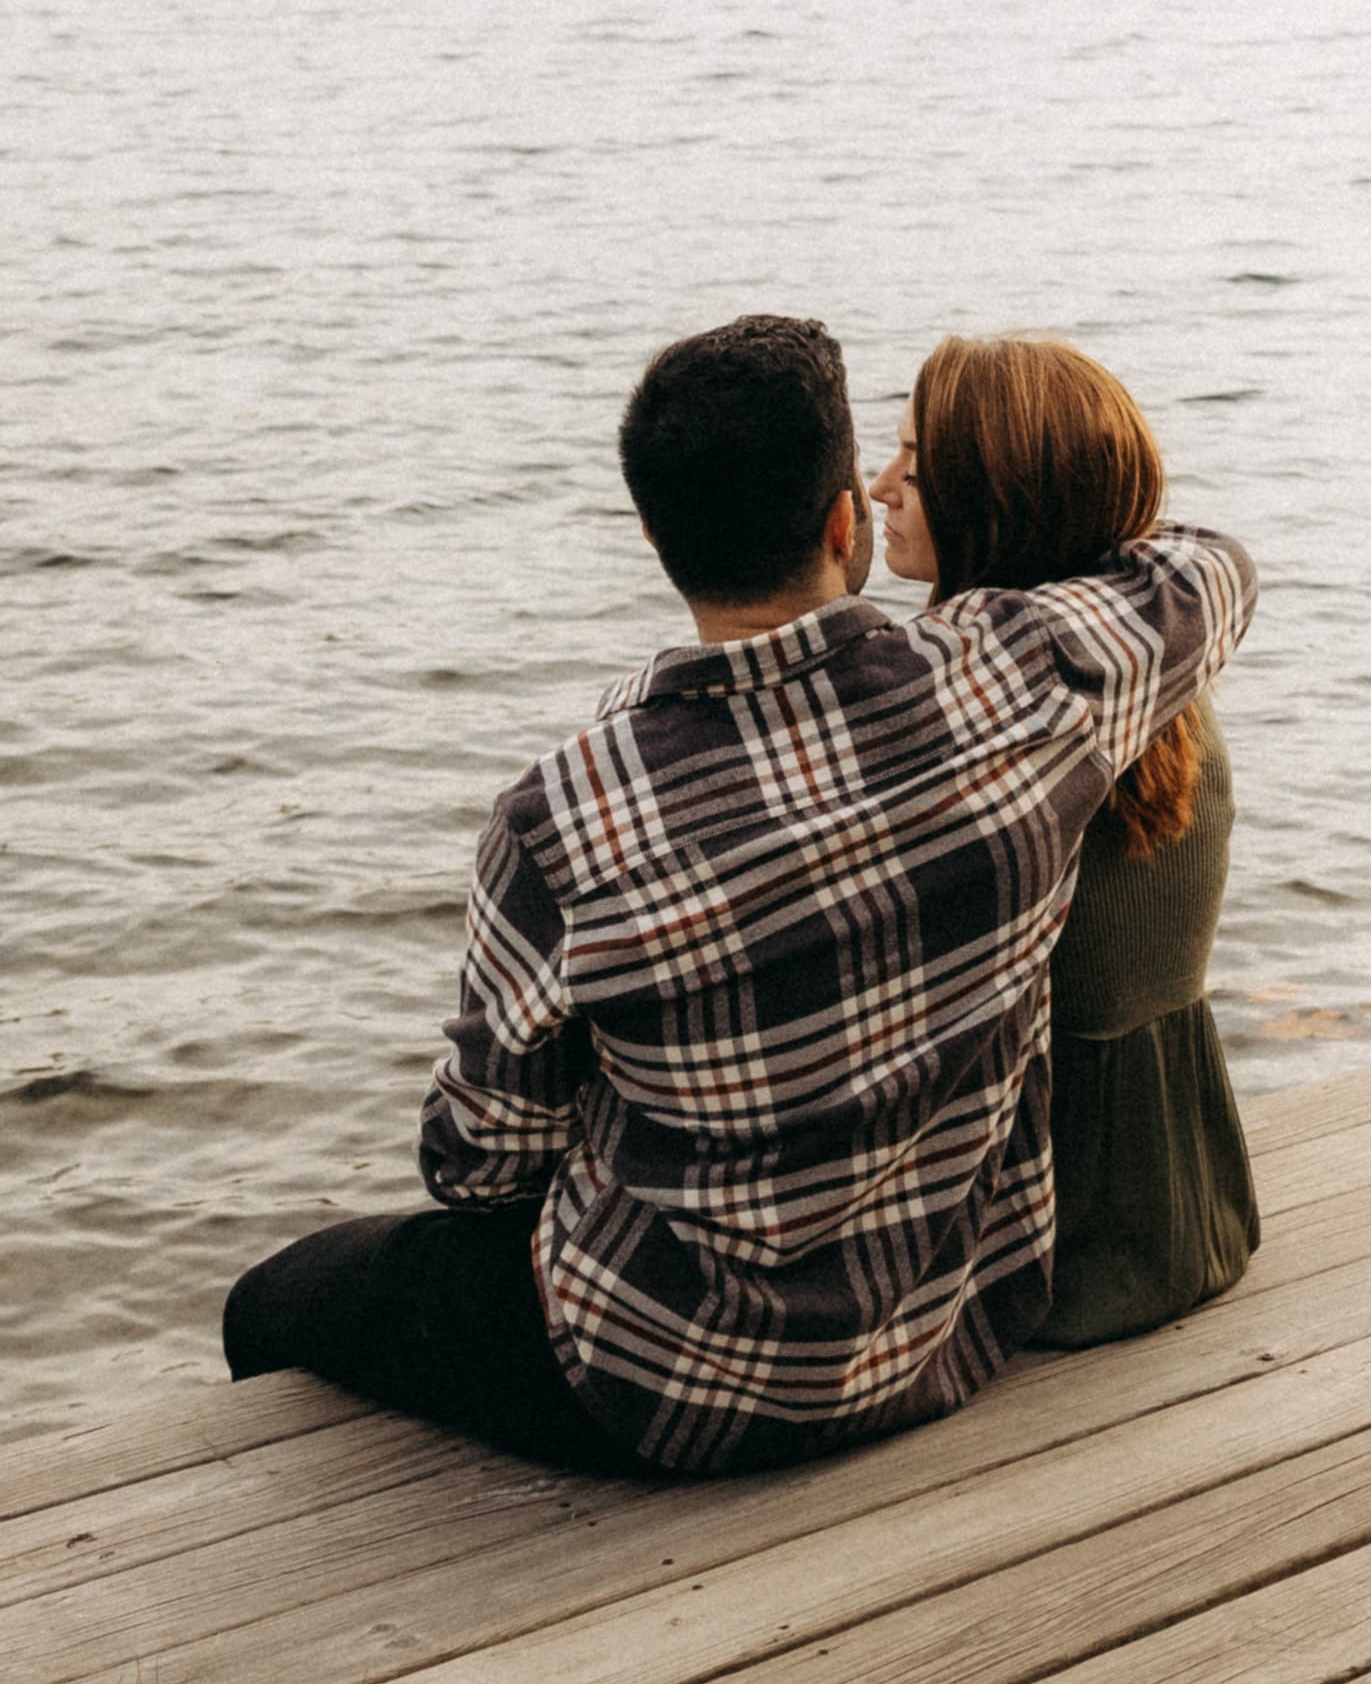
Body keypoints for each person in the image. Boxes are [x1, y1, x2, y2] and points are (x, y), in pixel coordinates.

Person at [221, 307, 1253, 1477]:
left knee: (274, 1303)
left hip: (660, 1384)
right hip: (950, 1333)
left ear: (657, 536)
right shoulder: (1011, 692)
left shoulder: (564, 810)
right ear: (842, 523)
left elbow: (479, 1163)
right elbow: (1210, 565)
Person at [872, 334, 1260, 1347]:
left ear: (990, 499)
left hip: (1056, 1236)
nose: (878, 489)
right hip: (1181, 1199)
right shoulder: (1142, 665)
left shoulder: (988, 708)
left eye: (912, 467)